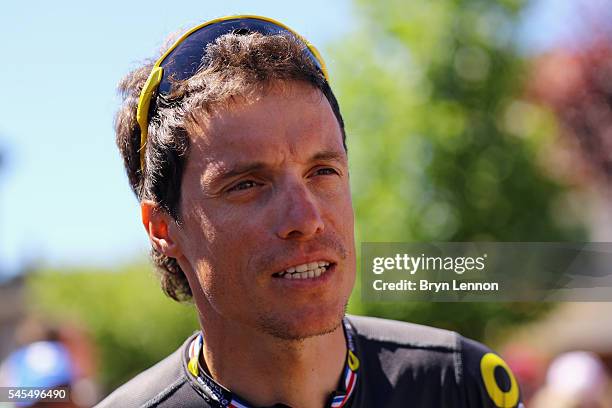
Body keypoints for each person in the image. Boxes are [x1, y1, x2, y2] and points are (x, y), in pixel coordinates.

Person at [96, 15, 524, 408]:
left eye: (322, 171)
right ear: (163, 227)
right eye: (247, 184)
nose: (305, 218)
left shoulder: (460, 386)